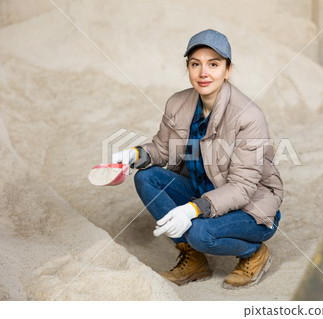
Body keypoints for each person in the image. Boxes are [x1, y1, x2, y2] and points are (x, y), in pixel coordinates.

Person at [112, 29, 283, 289]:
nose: (204, 73)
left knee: (200, 233)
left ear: (228, 70)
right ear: (188, 68)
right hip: (203, 190)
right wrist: (134, 155)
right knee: (146, 177)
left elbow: (242, 188)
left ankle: (254, 253)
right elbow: (163, 148)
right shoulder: (178, 103)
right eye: (196, 64)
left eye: (213, 64)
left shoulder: (249, 116)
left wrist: (191, 210)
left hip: (251, 207)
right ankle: (194, 260)